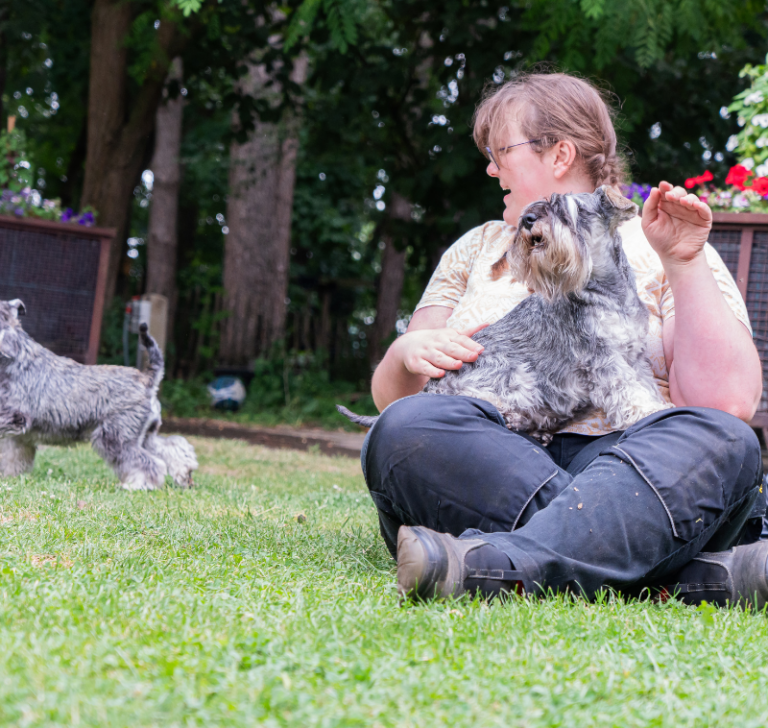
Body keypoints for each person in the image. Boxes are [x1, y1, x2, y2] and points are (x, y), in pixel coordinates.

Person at [362, 72, 768, 607]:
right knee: (402, 429)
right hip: (493, 462)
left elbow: (727, 403)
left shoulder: (664, 241)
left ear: (560, 155)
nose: (490, 168)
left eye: (499, 151)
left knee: (723, 440)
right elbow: (398, 403)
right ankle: (681, 572)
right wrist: (402, 354)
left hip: (634, 463)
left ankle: (489, 565)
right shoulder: (475, 248)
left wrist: (683, 262)